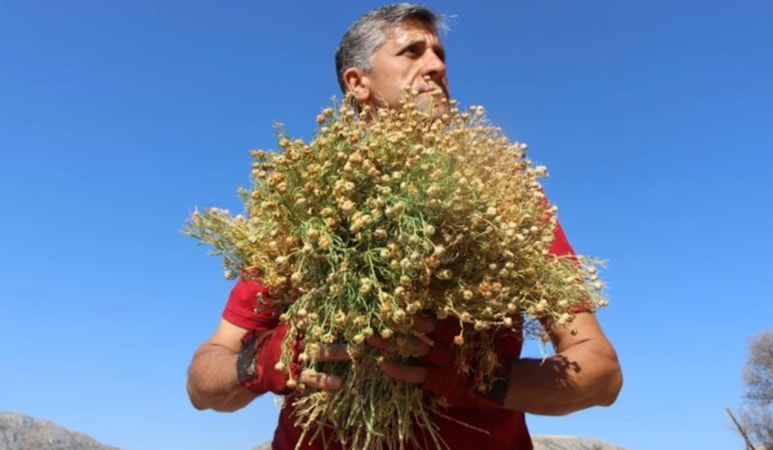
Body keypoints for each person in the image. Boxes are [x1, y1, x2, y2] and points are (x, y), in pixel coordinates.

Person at [186, 4, 623, 449]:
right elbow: (204, 383)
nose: (436, 66)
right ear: (358, 83)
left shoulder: (509, 202)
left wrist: (478, 378)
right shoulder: (302, 206)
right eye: (412, 52)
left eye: (440, 54)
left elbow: (600, 371)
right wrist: (263, 361)